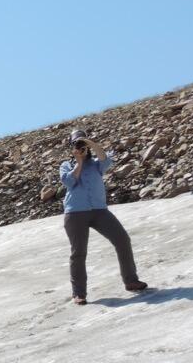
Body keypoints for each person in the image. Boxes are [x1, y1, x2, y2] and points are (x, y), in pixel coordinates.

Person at [59, 128, 148, 305]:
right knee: (78, 253)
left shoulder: (96, 164)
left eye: (82, 143)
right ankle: (79, 293)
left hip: (100, 210)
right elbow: (69, 182)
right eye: (76, 143)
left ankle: (131, 281)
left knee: (122, 239)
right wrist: (78, 161)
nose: (80, 146)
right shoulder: (66, 165)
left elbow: (106, 159)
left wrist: (89, 142)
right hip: (75, 213)